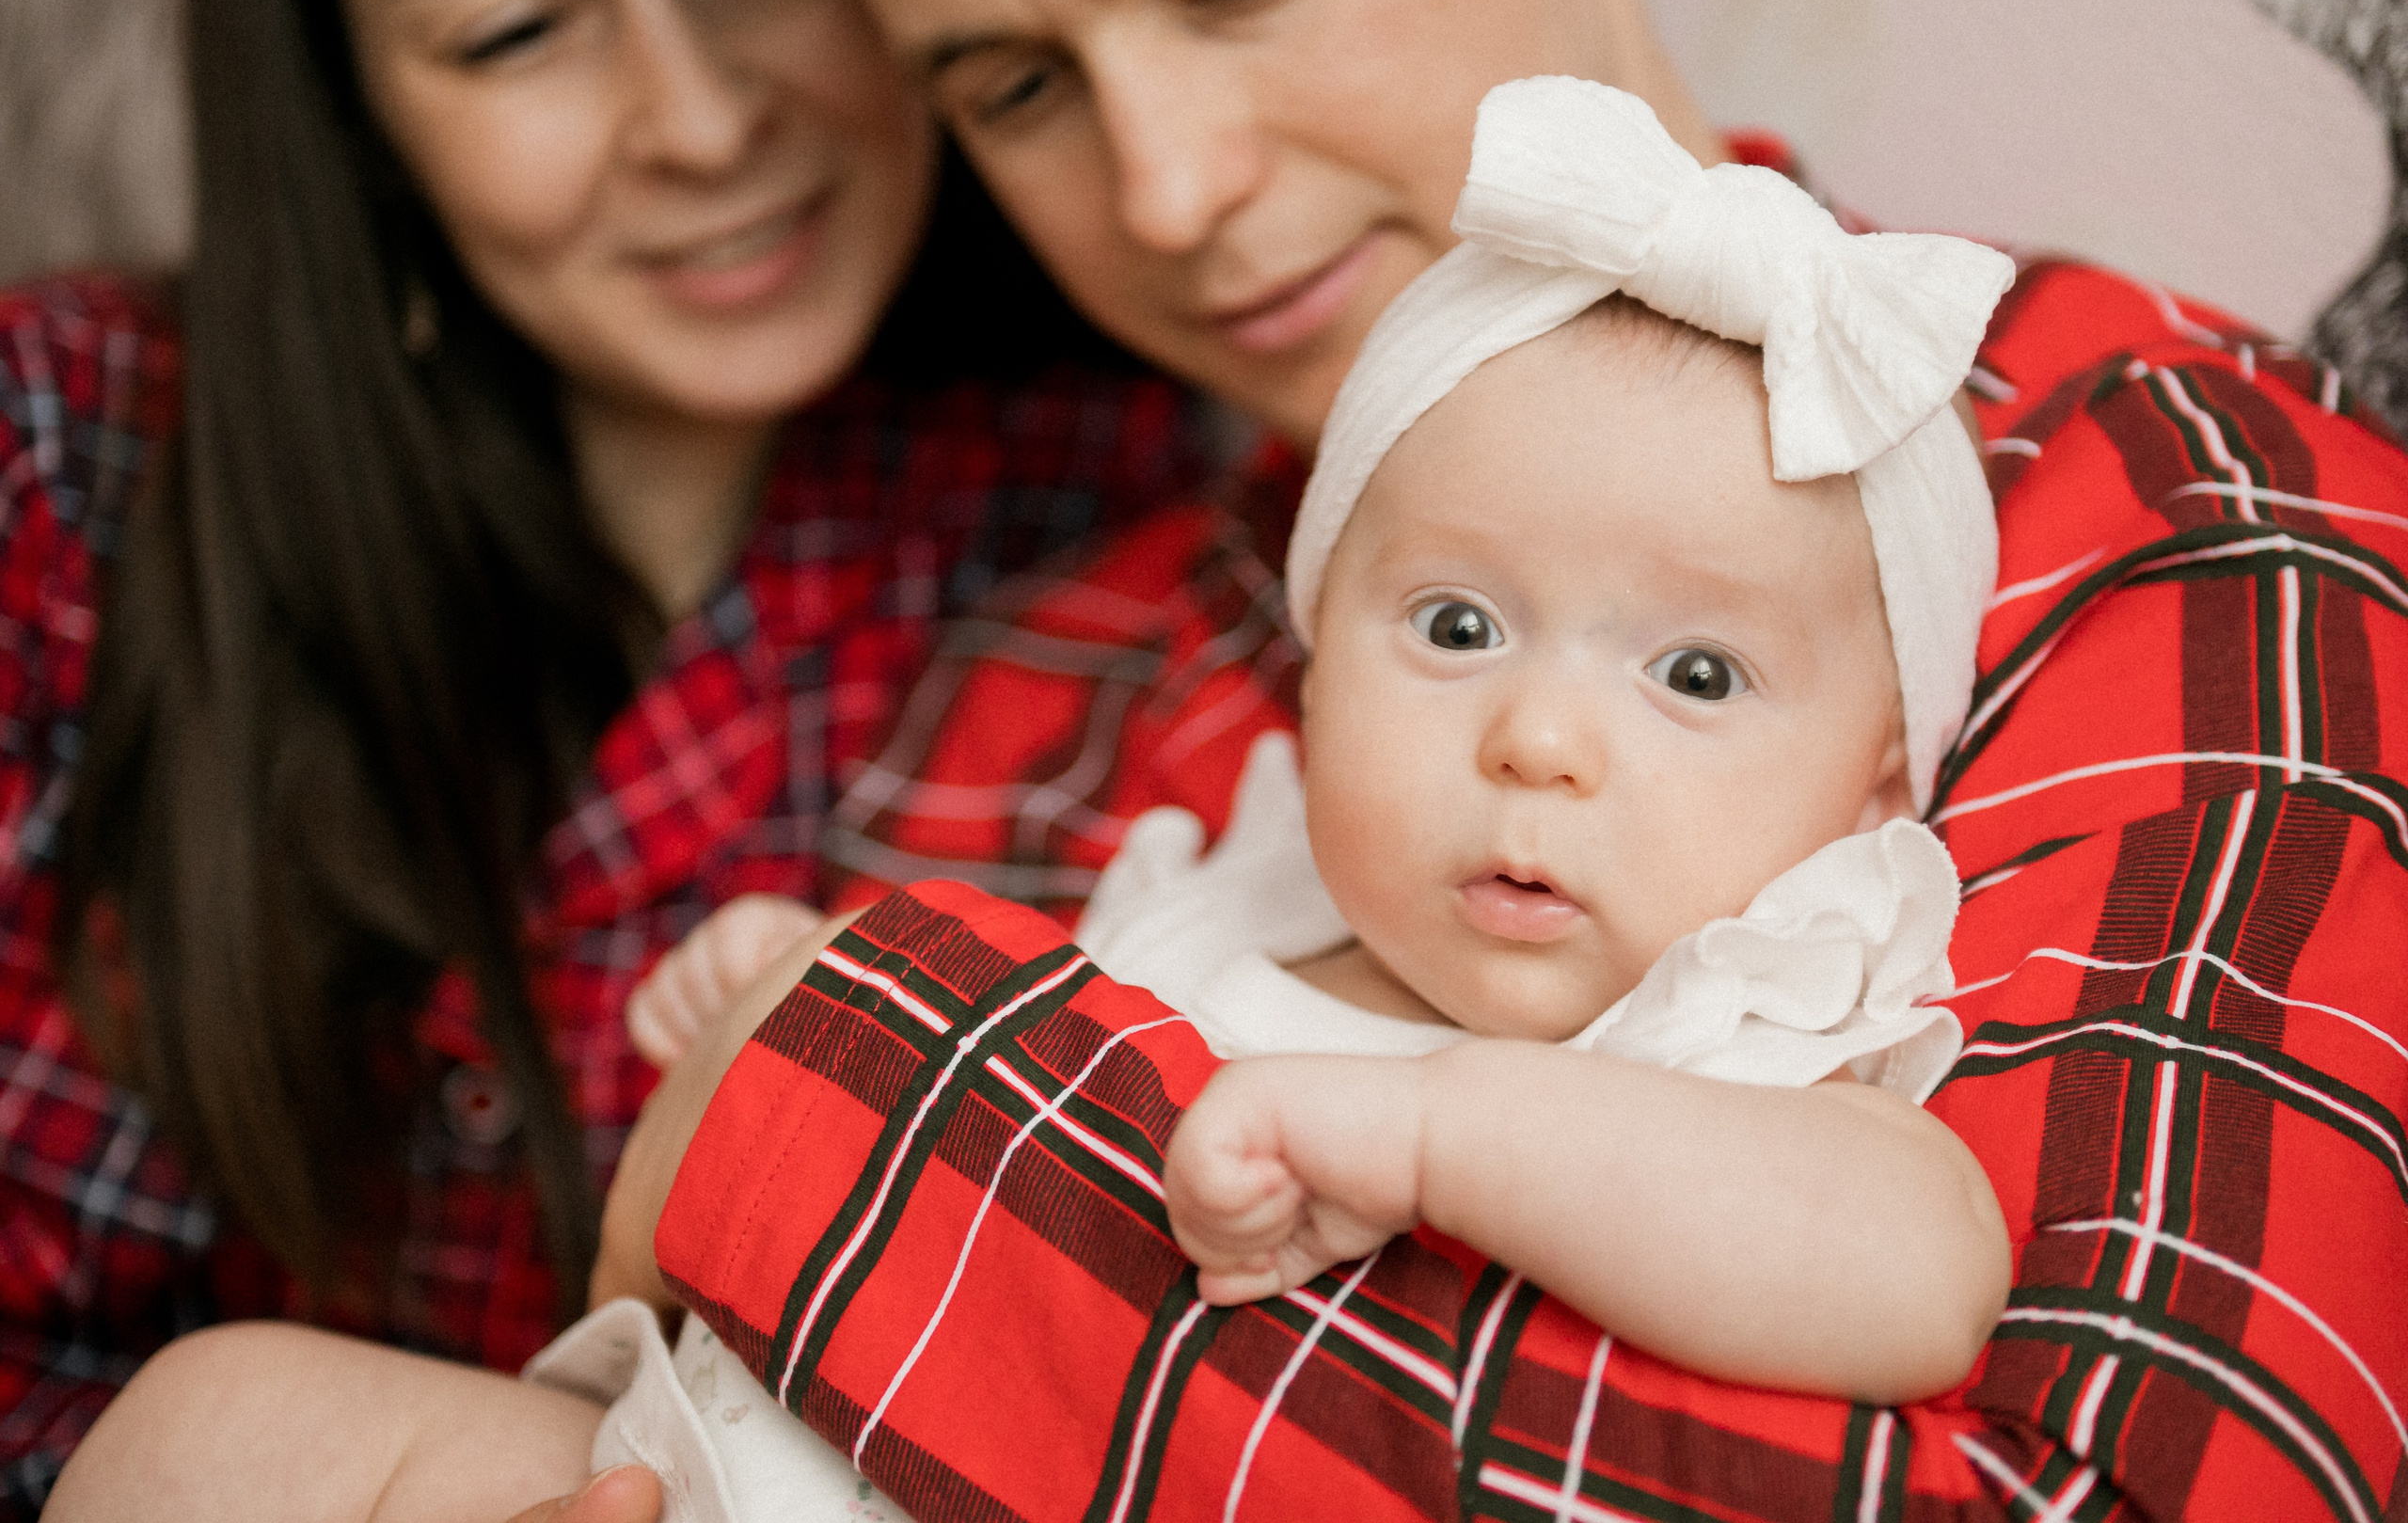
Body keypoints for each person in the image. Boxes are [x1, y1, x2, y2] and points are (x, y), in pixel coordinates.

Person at [588, 0, 2408, 1518]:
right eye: (1015, 87)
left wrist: (827, 1103)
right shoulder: (1025, 697)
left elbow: (2101, 1485)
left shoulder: (2161, 501)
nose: (1163, 190)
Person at [44, 77, 2022, 1522]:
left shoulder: (1748, 1017)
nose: (1537, 741)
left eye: (1690, 677)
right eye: (1448, 624)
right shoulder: (1220, 883)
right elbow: (926, 1105)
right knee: (209, 1428)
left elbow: (1920, 1273)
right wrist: (802, 988)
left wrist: (1437, 1129)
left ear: (1867, 786)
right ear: (1312, 653)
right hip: (703, 1467)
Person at [0, 0, 1212, 1509]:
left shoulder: (1131, 521)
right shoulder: (60, 463)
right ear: (357, 102)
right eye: (513, 31)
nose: (702, 120)